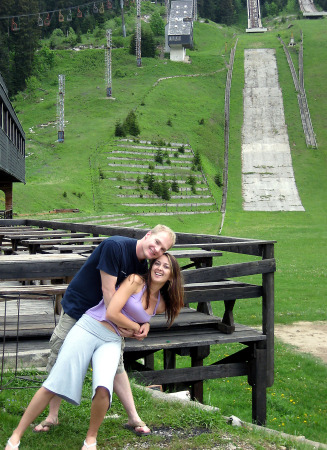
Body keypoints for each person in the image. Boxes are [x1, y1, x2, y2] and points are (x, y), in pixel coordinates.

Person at [5, 253, 184, 450]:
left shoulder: (161, 304)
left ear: (172, 276)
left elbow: (142, 314)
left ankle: (90, 439)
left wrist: (145, 325)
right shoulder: (135, 281)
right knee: (54, 383)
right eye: (157, 263)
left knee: (103, 388)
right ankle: (15, 436)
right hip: (89, 327)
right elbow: (112, 312)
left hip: (112, 340)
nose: (159, 268)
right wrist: (135, 328)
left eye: (166, 267)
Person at [33, 224, 176, 436]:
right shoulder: (115, 246)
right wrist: (122, 325)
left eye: (163, 249)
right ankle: (52, 415)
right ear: (148, 235)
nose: (157, 249)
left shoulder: (144, 266)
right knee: (59, 355)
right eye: (156, 242)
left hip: (109, 318)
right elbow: (107, 290)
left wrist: (144, 323)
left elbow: (141, 300)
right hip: (80, 308)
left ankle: (133, 416)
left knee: (116, 365)